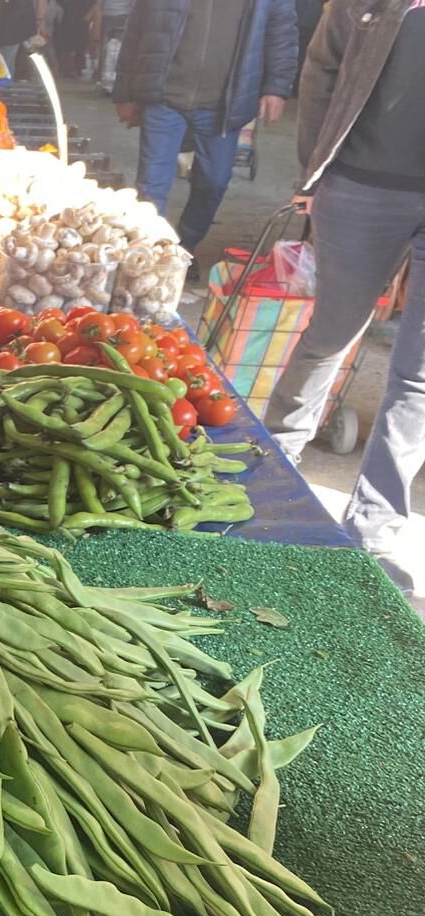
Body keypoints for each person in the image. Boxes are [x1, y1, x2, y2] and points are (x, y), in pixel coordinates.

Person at [262, 0, 425, 595]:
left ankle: (375, 528)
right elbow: (322, 66)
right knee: (332, 333)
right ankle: (273, 470)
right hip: (360, 188)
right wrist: (314, 168)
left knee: (419, 376)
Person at [113, 0, 298, 254]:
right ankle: (151, 255)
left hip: (223, 104)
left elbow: (282, 35)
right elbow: (136, 29)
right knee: (151, 185)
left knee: (214, 182)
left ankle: (184, 246)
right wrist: (124, 92)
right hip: (165, 97)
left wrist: (277, 88)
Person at [0, 0, 45, 74]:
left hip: (11, 34)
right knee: (9, 61)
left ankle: (8, 83)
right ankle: (10, 82)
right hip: (18, 32)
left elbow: (15, 15)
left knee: (7, 62)